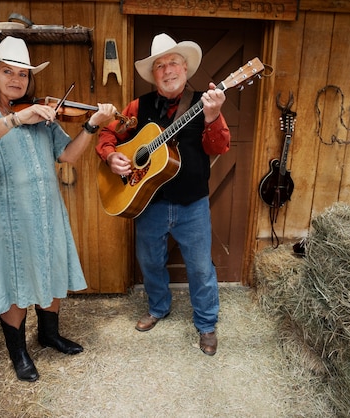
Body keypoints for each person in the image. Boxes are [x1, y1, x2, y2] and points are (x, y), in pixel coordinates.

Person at [0, 36, 116, 381]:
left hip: (47, 212)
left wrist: (91, 126)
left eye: (23, 74)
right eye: (8, 72)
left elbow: (68, 155)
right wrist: (16, 120)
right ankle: (19, 353)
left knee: (51, 269)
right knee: (15, 281)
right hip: (5, 218)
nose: (16, 80)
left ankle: (49, 334)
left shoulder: (43, 115)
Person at [95, 33, 230, 356]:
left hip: (192, 204)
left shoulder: (205, 103)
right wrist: (111, 156)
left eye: (173, 63)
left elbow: (220, 147)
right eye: (160, 66)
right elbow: (108, 132)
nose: (167, 70)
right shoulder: (138, 106)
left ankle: (207, 323)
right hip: (148, 203)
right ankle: (158, 307)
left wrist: (211, 118)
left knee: (199, 267)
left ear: (185, 68)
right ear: (153, 74)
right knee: (150, 261)